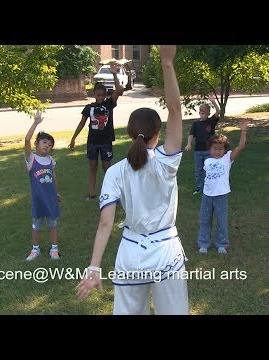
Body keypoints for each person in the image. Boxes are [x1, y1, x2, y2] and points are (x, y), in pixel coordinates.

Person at [76, 45, 189, 315]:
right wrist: (167, 63)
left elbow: (105, 223)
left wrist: (94, 267)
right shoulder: (166, 161)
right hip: (165, 253)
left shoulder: (115, 171)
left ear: (128, 133)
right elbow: (175, 110)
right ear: (157, 133)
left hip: (131, 254)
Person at [69, 64, 123, 201]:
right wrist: (73, 138)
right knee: (92, 166)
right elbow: (82, 123)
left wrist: (115, 74)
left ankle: (109, 192)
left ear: (106, 95)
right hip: (92, 142)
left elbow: (120, 90)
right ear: (94, 94)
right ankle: (92, 193)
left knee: (106, 167)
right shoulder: (89, 108)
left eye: (103, 95)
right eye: (98, 95)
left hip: (106, 141)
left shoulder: (109, 104)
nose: (100, 97)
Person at [197, 120, 248, 254]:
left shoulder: (227, 159)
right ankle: (203, 244)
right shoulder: (207, 161)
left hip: (221, 195)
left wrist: (243, 131)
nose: (217, 151)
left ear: (225, 150)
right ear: (210, 149)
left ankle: (221, 244)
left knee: (221, 220)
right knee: (204, 220)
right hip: (207, 195)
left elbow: (241, 147)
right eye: (215, 148)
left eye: (220, 149)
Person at [24, 111, 61, 261]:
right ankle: (35, 249)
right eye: (45, 142)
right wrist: (36, 123)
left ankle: (54, 249)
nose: (47, 146)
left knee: (52, 223)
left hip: (51, 198)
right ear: (37, 144)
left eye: (50, 144)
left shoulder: (51, 160)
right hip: (38, 199)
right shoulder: (31, 159)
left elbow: (53, 177)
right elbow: (26, 140)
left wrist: (56, 193)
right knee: (37, 224)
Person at [184, 93, 221, 194]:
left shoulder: (211, 122)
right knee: (198, 171)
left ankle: (210, 187)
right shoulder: (196, 124)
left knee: (209, 170)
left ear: (208, 113)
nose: (202, 114)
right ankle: (199, 188)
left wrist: (213, 102)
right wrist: (189, 144)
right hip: (198, 151)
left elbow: (218, 111)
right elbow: (191, 135)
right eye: (201, 112)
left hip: (209, 150)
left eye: (204, 113)